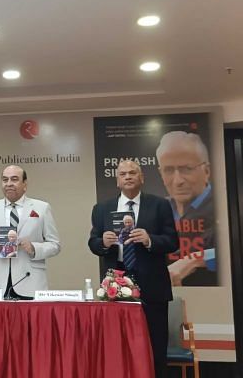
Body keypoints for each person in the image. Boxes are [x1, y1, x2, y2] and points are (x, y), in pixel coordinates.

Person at [88, 160, 178, 378]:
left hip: (152, 286)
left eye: (132, 173)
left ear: (142, 177)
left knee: (155, 346)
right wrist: (103, 243)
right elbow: (93, 242)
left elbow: (173, 241)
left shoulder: (160, 205)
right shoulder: (102, 208)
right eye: (123, 174)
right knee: (116, 346)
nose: (128, 176)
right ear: (117, 180)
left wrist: (149, 240)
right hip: (115, 287)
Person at [0, 165, 61, 299]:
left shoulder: (42, 208)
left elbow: (55, 245)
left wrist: (34, 248)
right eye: (5, 180)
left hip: (31, 283)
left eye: (14, 179)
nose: (9, 184)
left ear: (25, 184)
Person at [156, 131, 216, 286]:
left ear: (206, 171)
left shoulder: (223, 205)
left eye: (186, 169)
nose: (177, 181)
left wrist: (194, 260)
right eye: (168, 170)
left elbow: (232, 250)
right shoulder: (160, 209)